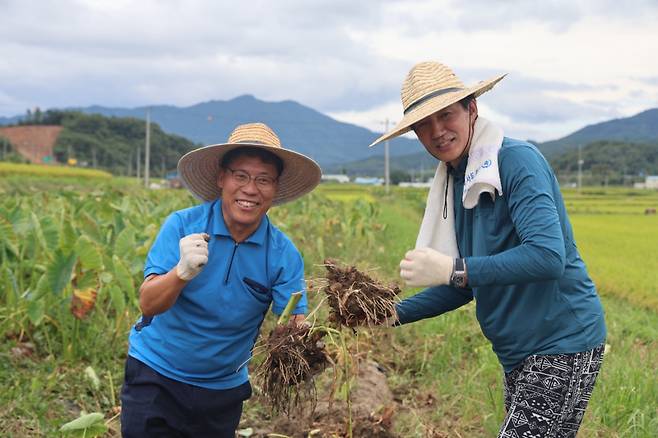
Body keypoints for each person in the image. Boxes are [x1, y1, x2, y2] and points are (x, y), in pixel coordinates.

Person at [371, 61, 606, 437]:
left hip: (560, 339)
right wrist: (388, 315)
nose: (437, 132)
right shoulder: (459, 178)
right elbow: (468, 283)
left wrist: (452, 267)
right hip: (518, 351)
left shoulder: (515, 162)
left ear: (472, 109)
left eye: (446, 115)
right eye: (423, 125)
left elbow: (547, 256)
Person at [120, 122, 322, 437]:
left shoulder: (283, 255)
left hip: (222, 389)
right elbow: (148, 302)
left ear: (275, 188)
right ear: (221, 178)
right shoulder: (181, 227)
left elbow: (291, 323)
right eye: (240, 176)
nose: (250, 189)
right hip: (156, 375)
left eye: (263, 180)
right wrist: (181, 273)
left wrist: (307, 338)